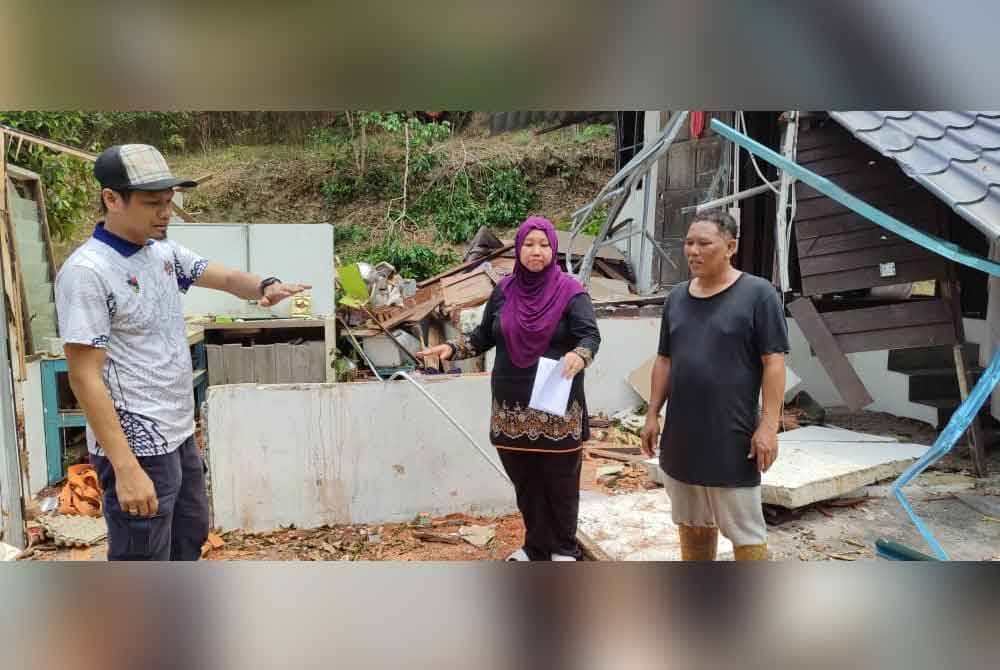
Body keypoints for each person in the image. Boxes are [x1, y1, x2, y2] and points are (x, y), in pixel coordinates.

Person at [55, 144, 310, 561]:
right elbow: (84, 376)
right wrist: (125, 468)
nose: (166, 212)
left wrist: (266, 286)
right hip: (136, 444)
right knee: (143, 559)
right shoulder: (88, 272)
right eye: (153, 203)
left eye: (170, 201)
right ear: (111, 199)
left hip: (177, 434)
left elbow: (225, 277)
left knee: (188, 540)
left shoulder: (163, 252)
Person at [417, 216, 601, 561]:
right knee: (526, 481)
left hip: (555, 405)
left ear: (553, 248)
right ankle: (535, 546)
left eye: (544, 245)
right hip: (511, 407)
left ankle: (563, 549)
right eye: (529, 244)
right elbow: (484, 336)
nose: (537, 251)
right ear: (518, 248)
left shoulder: (571, 292)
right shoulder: (504, 291)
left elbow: (590, 334)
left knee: (559, 483)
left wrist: (580, 354)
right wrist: (452, 349)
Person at [640, 210, 788, 561]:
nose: (693, 250)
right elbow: (664, 360)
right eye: (689, 243)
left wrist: (768, 426)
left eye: (704, 243)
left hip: (732, 436)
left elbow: (774, 363)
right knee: (691, 523)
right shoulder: (676, 297)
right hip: (682, 435)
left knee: (745, 529)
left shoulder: (758, 294)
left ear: (730, 246)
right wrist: (651, 415)